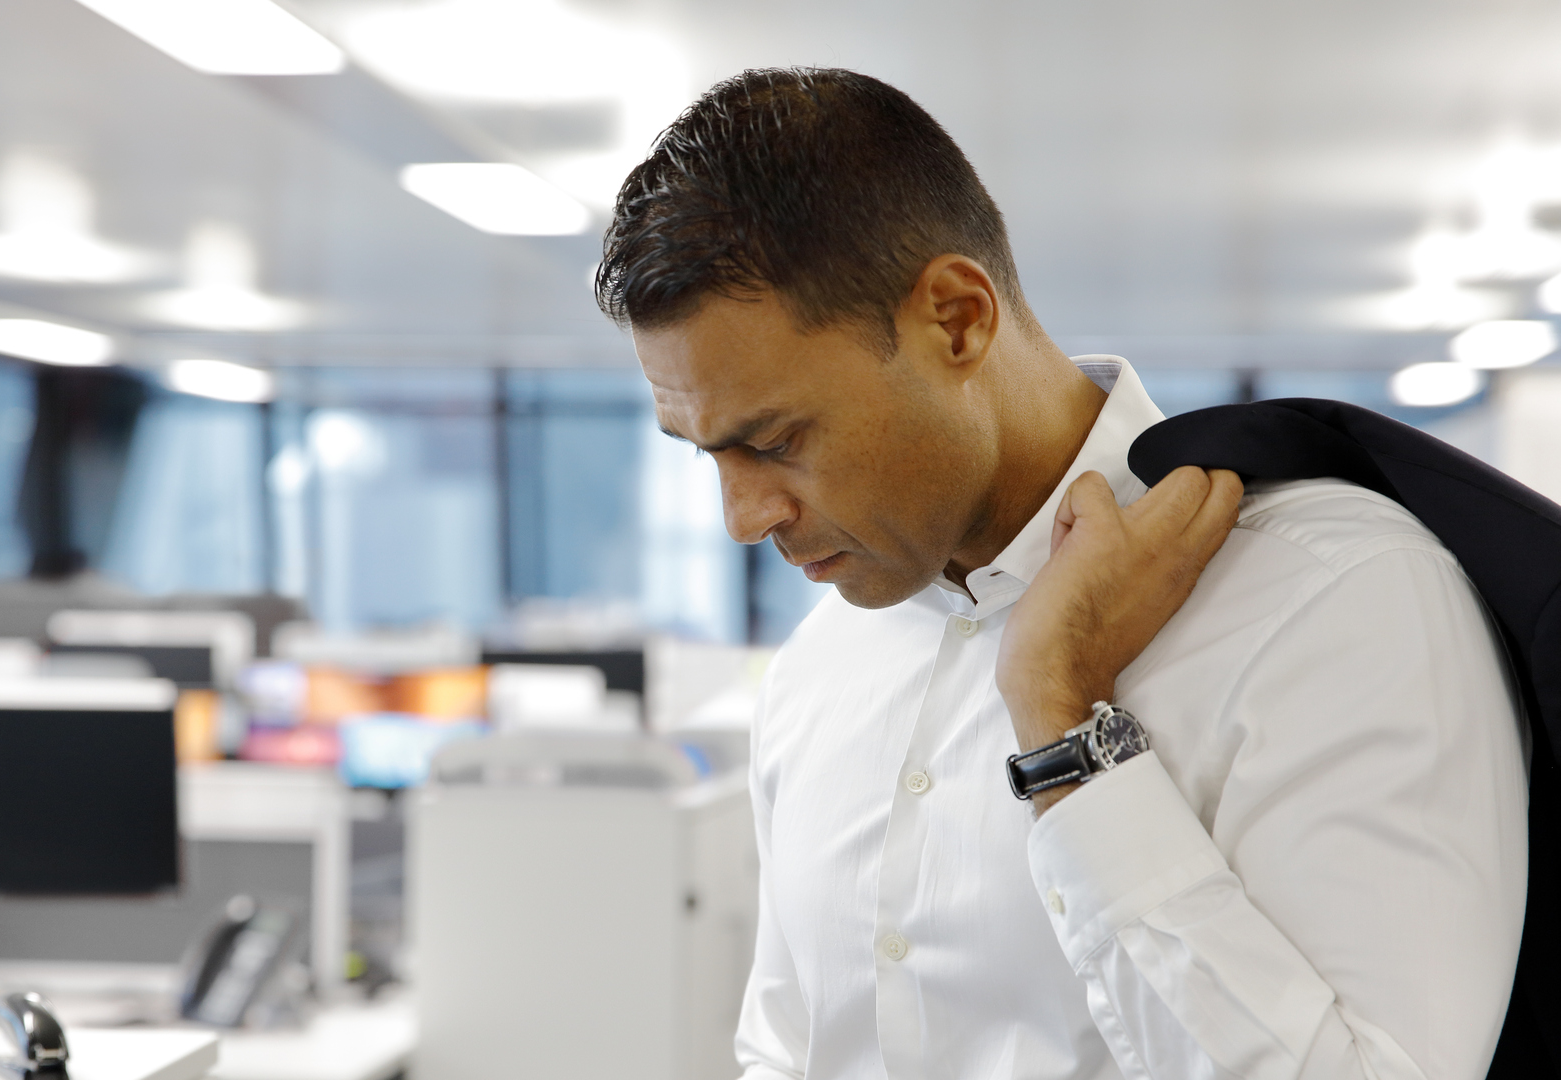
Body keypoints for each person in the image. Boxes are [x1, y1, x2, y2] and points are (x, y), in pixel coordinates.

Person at [597, 68, 1526, 1080]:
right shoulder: (823, 665)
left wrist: (1061, 722)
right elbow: (786, 1050)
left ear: (957, 319)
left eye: (775, 440)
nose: (742, 520)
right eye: (706, 454)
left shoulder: (1334, 599)